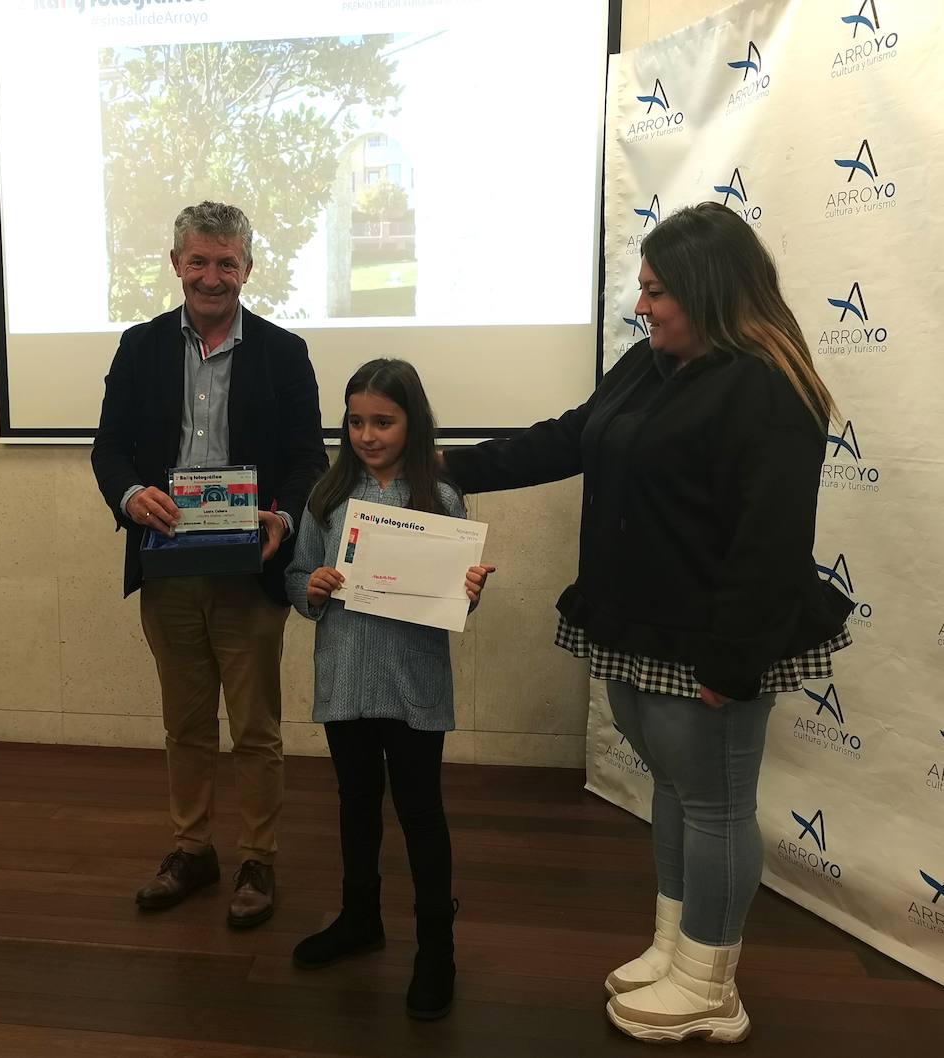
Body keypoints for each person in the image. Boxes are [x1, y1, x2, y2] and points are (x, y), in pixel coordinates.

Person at [443, 202, 852, 1044]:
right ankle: (675, 949)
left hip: (709, 642)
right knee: (677, 791)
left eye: (657, 291)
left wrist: (731, 666)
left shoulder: (768, 389)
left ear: (705, 287)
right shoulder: (647, 364)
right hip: (636, 623)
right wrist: (442, 465)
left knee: (716, 804)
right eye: (642, 290)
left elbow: (767, 543)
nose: (643, 306)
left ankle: (711, 984)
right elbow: (569, 439)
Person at [92, 201, 327, 929]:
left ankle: (258, 858)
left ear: (248, 269)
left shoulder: (284, 354)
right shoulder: (138, 347)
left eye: (227, 262)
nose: (212, 276)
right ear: (176, 266)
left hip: (249, 574)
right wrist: (132, 496)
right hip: (167, 571)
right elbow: (110, 450)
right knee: (185, 724)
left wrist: (284, 518)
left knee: (255, 728)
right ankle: (193, 849)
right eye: (199, 261)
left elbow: (307, 460)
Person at [285, 359, 492, 1020]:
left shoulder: (441, 499)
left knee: (421, 813)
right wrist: (309, 587)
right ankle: (359, 917)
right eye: (356, 421)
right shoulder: (326, 496)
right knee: (355, 803)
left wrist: (468, 594)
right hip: (345, 679)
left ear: (413, 422)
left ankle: (437, 948)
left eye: (384, 421)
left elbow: (454, 605)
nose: (368, 435)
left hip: (413, 685)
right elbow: (297, 577)